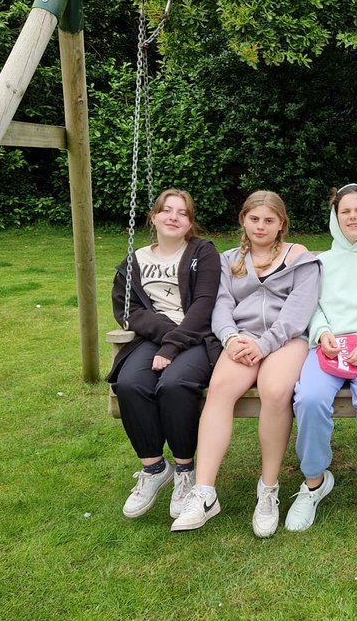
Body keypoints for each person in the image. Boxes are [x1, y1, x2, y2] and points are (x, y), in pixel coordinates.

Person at [170, 191, 321, 537]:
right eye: (254, 219)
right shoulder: (229, 260)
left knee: (275, 389)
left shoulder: (301, 259)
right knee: (220, 389)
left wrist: (265, 344)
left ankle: (268, 490)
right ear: (243, 220)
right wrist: (230, 338)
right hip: (240, 339)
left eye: (269, 220)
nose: (261, 226)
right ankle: (205, 492)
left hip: (285, 340)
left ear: (281, 223)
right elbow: (220, 305)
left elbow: (298, 312)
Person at [286, 184, 357, 532]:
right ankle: (315, 481)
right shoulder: (320, 261)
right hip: (329, 347)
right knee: (309, 398)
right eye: (345, 211)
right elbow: (312, 307)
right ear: (336, 217)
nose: (352, 217)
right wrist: (323, 334)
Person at [109, 188, 222, 520]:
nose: (174, 217)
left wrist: (174, 345)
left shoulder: (203, 253)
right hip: (154, 337)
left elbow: (204, 305)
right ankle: (154, 467)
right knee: (130, 384)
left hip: (197, 338)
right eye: (167, 210)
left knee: (174, 384)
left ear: (190, 223)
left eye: (183, 213)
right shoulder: (135, 261)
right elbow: (127, 310)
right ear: (154, 217)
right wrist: (164, 336)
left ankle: (185, 471)